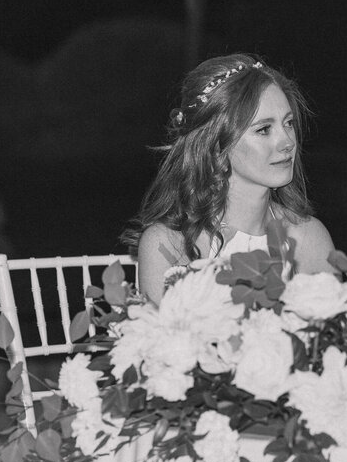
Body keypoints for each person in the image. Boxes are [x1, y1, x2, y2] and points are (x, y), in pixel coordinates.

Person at [122, 53, 335, 303]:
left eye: (288, 123)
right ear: (216, 145)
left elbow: (331, 337)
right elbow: (162, 340)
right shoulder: (170, 244)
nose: (287, 142)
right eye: (264, 129)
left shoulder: (309, 238)